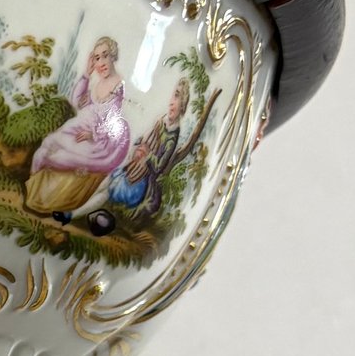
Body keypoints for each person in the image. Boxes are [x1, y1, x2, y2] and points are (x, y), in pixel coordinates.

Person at [24, 36, 130, 216]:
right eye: (97, 58)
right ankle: (34, 194)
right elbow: (77, 101)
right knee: (48, 143)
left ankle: (47, 201)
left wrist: (93, 134)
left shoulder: (118, 85)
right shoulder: (97, 83)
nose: (101, 63)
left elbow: (112, 117)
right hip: (81, 125)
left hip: (102, 139)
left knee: (61, 157)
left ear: (113, 56)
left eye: (105, 56)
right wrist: (86, 74)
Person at [97, 79, 221, 232]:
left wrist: (148, 154)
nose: (172, 102)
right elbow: (143, 138)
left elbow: (159, 166)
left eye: (177, 97)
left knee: (112, 188)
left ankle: (92, 216)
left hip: (143, 178)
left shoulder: (172, 137)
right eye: (173, 95)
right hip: (135, 166)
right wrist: (138, 147)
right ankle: (80, 208)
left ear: (183, 106)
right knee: (108, 181)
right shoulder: (161, 121)